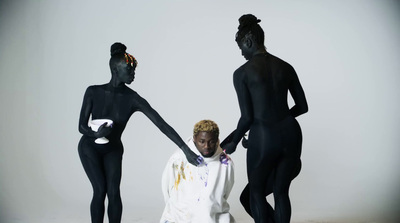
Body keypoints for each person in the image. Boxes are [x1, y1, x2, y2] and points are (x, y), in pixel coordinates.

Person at [78, 42, 202, 223]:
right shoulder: (93, 91)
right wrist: (96, 134)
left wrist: (186, 149)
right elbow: (81, 127)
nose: (133, 74)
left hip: (113, 148)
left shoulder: (132, 98)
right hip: (89, 147)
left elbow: (161, 123)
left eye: (134, 70)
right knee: (100, 189)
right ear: (115, 70)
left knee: (113, 192)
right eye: (129, 70)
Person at [221, 14, 308, 223]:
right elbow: (303, 107)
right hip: (291, 134)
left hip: (263, 137)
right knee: (281, 193)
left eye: (241, 46)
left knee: (256, 194)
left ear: (248, 41)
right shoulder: (286, 67)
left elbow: (248, 117)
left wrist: (233, 141)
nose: (241, 52)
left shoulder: (242, 73)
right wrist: (280, 119)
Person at [160, 120, 235, 223]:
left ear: (217, 140)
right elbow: (167, 185)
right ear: (194, 139)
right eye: (202, 141)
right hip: (179, 216)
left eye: (211, 141)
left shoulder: (226, 163)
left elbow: (226, 190)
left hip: (215, 218)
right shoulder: (179, 158)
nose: (206, 146)